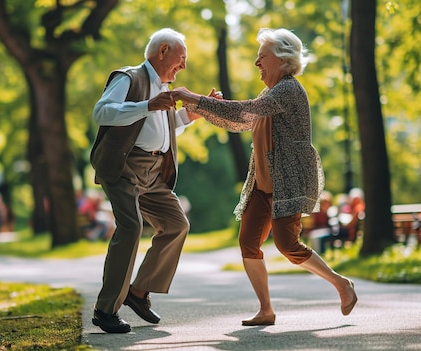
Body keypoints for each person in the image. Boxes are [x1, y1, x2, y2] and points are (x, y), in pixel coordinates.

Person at [172, 28, 357, 325]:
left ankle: (341, 284)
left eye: (262, 57)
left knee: (287, 244)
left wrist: (192, 97)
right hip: (261, 184)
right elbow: (241, 121)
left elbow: (245, 110)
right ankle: (266, 310)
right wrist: (198, 106)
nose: (257, 64)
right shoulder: (269, 93)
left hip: (287, 182)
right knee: (248, 242)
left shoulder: (288, 89)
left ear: (282, 59)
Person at [89, 28, 200, 333]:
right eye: (182, 58)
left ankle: (138, 292)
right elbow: (102, 113)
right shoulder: (129, 78)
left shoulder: (163, 87)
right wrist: (147, 105)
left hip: (154, 172)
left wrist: (188, 118)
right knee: (131, 226)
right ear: (163, 50)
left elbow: (160, 128)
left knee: (177, 224)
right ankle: (105, 309)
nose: (184, 66)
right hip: (124, 167)